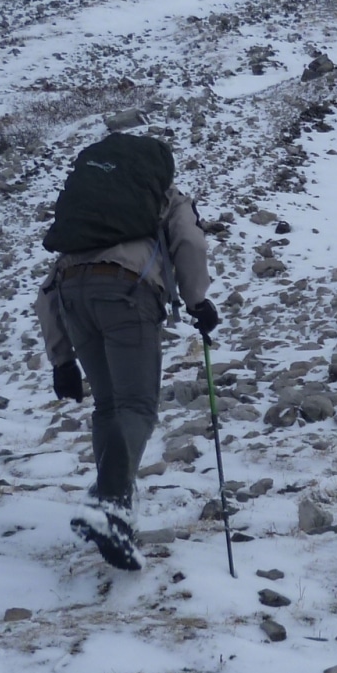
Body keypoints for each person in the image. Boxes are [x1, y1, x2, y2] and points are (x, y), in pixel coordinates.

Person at [35, 131, 218, 571]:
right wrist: (198, 301)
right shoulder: (166, 198)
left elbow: (46, 290)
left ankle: (112, 509)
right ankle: (110, 503)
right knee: (137, 404)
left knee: (109, 405)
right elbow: (190, 243)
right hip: (127, 291)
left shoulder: (89, 212)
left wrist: (62, 360)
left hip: (71, 293)